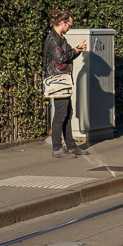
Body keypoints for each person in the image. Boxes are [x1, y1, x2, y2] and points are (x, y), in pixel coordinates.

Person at [44, 9, 88, 159]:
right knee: (60, 114)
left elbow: (65, 56)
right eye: (69, 25)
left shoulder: (60, 38)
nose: (70, 28)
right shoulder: (53, 39)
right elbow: (61, 58)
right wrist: (74, 50)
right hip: (58, 80)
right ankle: (57, 147)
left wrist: (77, 50)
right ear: (62, 23)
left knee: (67, 113)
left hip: (62, 79)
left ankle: (71, 145)